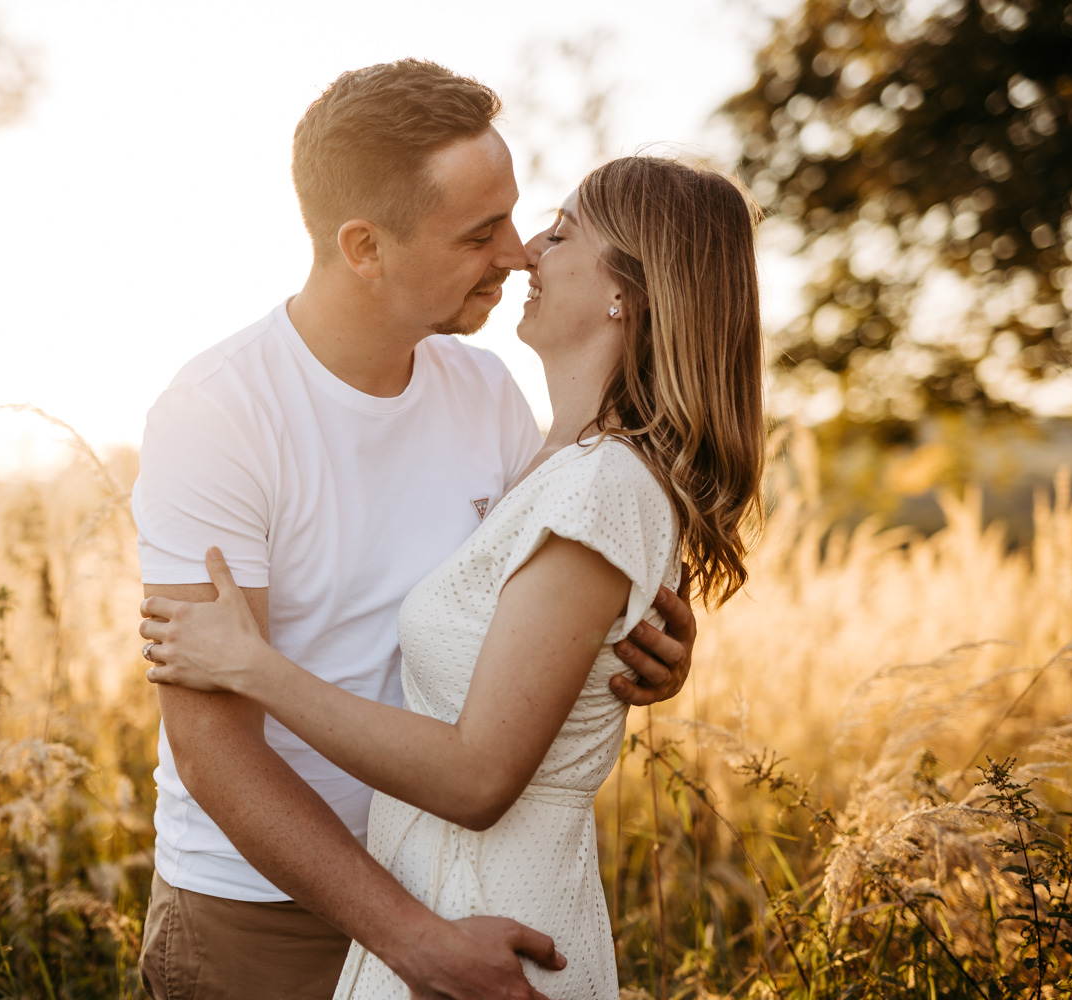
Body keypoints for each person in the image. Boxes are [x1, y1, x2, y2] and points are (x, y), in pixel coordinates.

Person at [129, 60, 699, 1000]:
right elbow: (214, 748)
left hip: (448, 885)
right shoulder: (218, 414)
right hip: (261, 921)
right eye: (481, 233)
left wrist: (634, 649)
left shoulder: (484, 392)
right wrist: (409, 938)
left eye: (516, 219)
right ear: (364, 247)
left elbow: (530, 605)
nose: (519, 254)